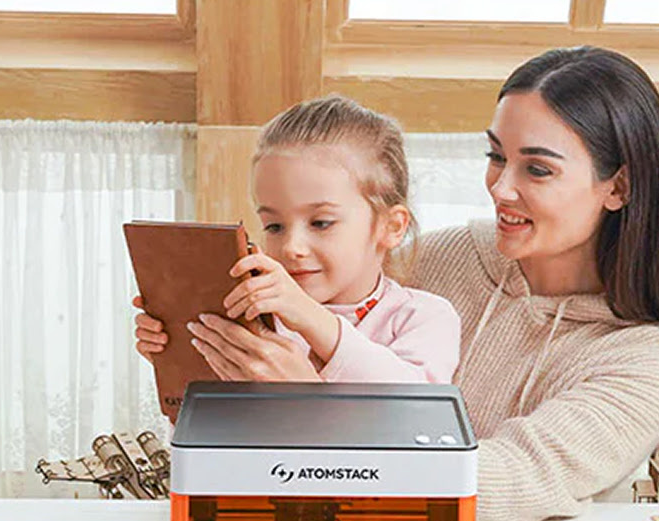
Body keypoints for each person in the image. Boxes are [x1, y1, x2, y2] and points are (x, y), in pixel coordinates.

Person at [185, 47, 659, 521]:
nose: (501, 188)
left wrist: (312, 406)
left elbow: (496, 486)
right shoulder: (443, 257)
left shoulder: (649, 361)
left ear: (618, 186)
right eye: (496, 157)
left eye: (536, 169)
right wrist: (199, 334)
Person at [133, 95, 460, 384]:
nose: (291, 248)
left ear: (391, 226)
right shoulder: (255, 319)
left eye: (321, 223)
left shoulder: (423, 317)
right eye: (274, 226)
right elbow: (207, 428)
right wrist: (183, 359)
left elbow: (410, 413)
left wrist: (307, 326)